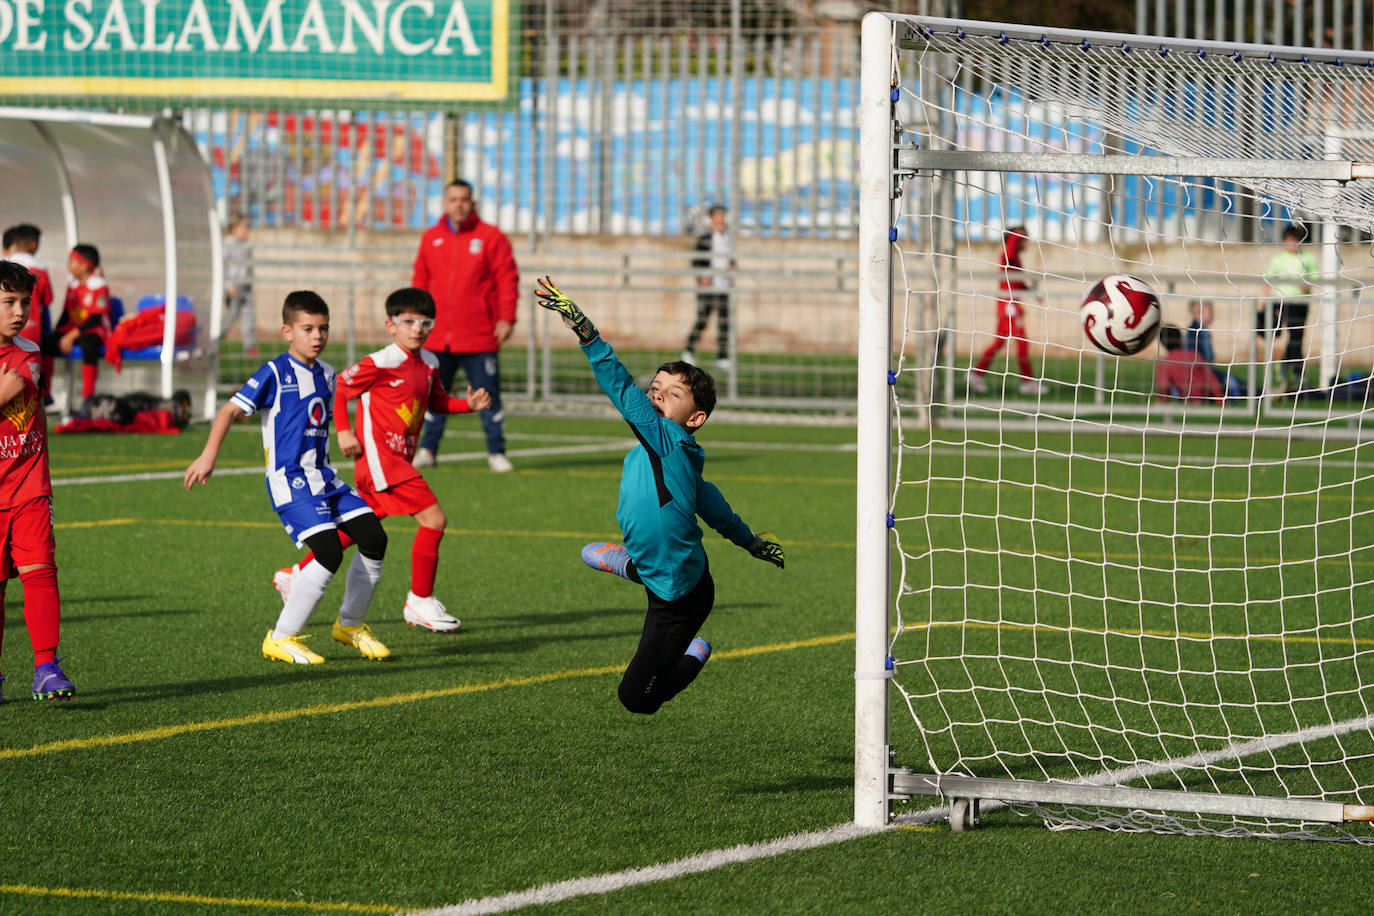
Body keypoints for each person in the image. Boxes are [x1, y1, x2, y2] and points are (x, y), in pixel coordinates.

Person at [534, 276, 784, 715]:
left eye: (674, 394)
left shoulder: (663, 437)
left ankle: (695, 651)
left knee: (638, 699)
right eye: (656, 388)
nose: (656, 396)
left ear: (695, 417)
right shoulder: (668, 453)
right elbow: (718, 511)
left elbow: (620, 386)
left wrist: (584, 329)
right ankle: (633, 564)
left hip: (679, 603)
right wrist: (749, 542)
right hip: (669, 574)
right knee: (653, 558)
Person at [183, 290, 391, 664]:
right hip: (290, 480)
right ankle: (281, 637)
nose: (317, 336)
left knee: (374, 537)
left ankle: (350, 625)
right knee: (327, 551)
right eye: (307, 328)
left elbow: (328, 412)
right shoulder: (274, 371)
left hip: (324, 478)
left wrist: (344, 433)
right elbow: (229, 411)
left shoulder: (327, 373)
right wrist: (208, 455)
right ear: (287, 331)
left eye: (323, 328)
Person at [271, 287, 491, 633]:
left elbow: (436, 402)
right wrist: (343, 431)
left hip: (398, 459)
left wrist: (468, 406)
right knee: (434, 519)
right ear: (391, 325)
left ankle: (295, 573)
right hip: (380, 460)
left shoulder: (430, 363)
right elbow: (342, 387)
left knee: (361, 526)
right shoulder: (381, 361)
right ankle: (419, 600)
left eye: (424, 322)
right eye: (408, 321)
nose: (416, 329)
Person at [0, 261, 72, 700]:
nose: (19, 311)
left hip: (28, 485)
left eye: (24, 302)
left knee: (40, 570)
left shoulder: (27, 351)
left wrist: (43, 469)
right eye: (8, 302)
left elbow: (29, 401)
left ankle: (46, 665)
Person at [411, 179, 519, 473]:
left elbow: (507, 279)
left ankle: (496, 452)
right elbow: (420, 280)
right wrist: (415, 319)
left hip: (479, 336)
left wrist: (506, 317)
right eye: (453, 199)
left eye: (464, 199)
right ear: (445, 204)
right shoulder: (431, 238)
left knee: (488, 396)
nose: (459, 204)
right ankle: (428, 449)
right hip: (437, 336)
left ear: (473, 203)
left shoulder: (491, 237)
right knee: (433, 395)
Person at [970, 226, 1046, 395]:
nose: (1027, 242)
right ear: (1015, 239)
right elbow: (1012, 247)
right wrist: (1019, 234)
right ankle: (1027, 382)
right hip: (1008, 305)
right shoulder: (1007, 254)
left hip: (1009, 303)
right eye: (1023, 238)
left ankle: (977, 374)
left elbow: (1017, 282)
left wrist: (1033, 293)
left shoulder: (1015, 258)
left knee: (999, 342)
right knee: (1022, 342)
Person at [41, 244, 111, 402]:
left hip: (94, 330)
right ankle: (44, 393)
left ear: (85, 265)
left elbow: (95, 319)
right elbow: (66, 314)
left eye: (72, 261)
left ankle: (88, 398)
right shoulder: (72, 285)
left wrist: (71, 336)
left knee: (89, 344)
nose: (69, 265)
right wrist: (57, 334)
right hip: (72, 330)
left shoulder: (99, 285)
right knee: (47, 344)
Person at [1259, 223, 1318, 392]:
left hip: (1300, 302)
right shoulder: (1279, 259)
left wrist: (1307, 284)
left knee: (1297, 336)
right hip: (1281, 301)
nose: (1293, 245)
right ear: (1285, 241)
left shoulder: (1308, 258)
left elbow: (1316, 277)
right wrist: (1263, 301)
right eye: (1290, 241)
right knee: (1280, 335)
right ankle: (1287, 370)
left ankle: (1290, 369)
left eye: (1297, 241)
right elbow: (1268, 279)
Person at [682, 205, 735, 371]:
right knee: (702, 320)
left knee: (724, 323)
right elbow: (697, 261)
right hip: (709, 288)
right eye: (718, 216)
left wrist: (732, 268)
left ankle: (723, 356)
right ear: (711, 219)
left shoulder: (728, 239)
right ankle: (689, 351)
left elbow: (730, 260)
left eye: (723, 216)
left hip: (724, 287)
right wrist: (703, 276)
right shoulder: (705, 239)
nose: (721, 220)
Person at [2, 224, 54, 352]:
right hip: (31, 331)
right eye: (9, 301)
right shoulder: (40, 269)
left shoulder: (3, 266)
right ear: (33, 243)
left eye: (25, 302)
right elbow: (47, 300)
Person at [1184, 299, 1243, 398]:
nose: (1213, 313)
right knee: (1232, 383)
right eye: (1210, 310)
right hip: (1200, 376)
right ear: (1200, 311)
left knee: (1232, 380)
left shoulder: (1203, 330)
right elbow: (1196, 361)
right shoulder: (1194, 332)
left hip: (1208, 373)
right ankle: (1263, 394)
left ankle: (1263, 393)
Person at [1155, 324, 1225, 403]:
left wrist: (1161, 400)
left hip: (1189, 399)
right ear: (1180, 340)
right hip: (1208, 396)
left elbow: (1164, 389)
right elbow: (1211, 379)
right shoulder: (1195, 355)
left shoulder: (1165, 363)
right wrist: (1220, 398)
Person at [222, 213, 256, 356]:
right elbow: (223, 267)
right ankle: (215, 341)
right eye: (244, 227)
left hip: (246, 286)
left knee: (249, 317)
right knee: (229, 317)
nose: (246, 230)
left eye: (248, 227)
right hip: (233, 287)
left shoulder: (246, 246)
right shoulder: (227, 245)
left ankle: (250, 346)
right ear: (234, 228)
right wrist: (228, 285)